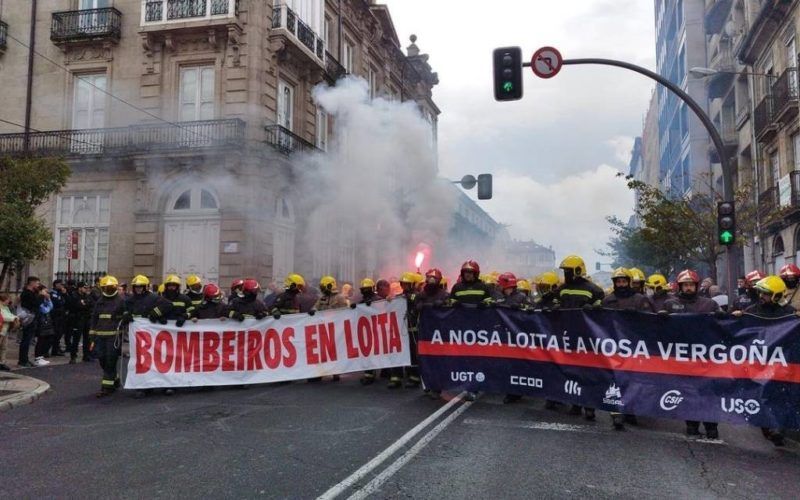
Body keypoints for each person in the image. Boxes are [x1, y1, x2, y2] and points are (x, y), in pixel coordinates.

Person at [660, 269, 721, 439]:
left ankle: (711, 425)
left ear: (696, 286)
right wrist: (661, 318)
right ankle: (691, 424)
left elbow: (723, 324)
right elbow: (660, 330)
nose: (688, 288)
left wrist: (725, 316)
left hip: (706, 356)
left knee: (708, 391)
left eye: (691, 285)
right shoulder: (670, 304)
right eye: (685, 285)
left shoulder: (709, 304)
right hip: (682, 357)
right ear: (680, 286)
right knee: (687, 391)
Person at [739, 275, 795, 447]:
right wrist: (735, 317)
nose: (761, 296)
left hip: (781, 361)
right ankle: (767, 426)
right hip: (758, 362)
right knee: (760, 394)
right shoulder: (752, 310)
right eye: (760, 293)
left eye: (765, 293)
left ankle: (778, 429)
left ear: (777, 296)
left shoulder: (790, 313)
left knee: (780, 395)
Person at [601, 268, 653, 429]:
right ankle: (616, 413)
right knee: (615, 380)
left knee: (632, 379)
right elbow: (600, 322)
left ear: (629, 282)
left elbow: (652, 320)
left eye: (624, 281)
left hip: (634, 346)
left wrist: (638, 315)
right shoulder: (608, 300)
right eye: (618, 281)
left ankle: (630, 410)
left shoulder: (640, 300)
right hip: (614, 346)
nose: (621, 284)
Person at [557, 255, 604, 421]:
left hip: (586, 338)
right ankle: (575, 404)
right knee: (571, 371)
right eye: (565, 271)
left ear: (578, 271)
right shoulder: (561, 288)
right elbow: (551, 303)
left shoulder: (594, 290)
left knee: (587, 373)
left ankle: (589, 407)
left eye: (568, 271)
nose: (566, 274)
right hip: (567, 337)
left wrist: (593, 308)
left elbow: (604, 311)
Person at [448, 261, 492, 401]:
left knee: (477, 358)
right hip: (461, 329)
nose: (468, 275)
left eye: (470, 272)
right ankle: (467, 384)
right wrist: (454, 304)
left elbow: (491, 303)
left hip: (479, 329)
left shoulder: (483, 287)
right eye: (466, 272)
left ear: (476, 274)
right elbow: (449, 303)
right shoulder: (457, 287)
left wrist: (484, 305)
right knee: (463, 358)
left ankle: (475, 386)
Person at [89, 276, 127, 397]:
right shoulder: (100, 300)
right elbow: (94, 317)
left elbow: (125, 316)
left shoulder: (121, 301)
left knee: (110, 360)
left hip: (114, 337)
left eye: (111, 287)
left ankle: (107, 387)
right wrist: (92, 333)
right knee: (102, 359)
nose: (109, 289)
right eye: (106, 287)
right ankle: (114, 378)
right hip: (100, 336)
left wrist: (121, 318)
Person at [17, 276, 42, 368]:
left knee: (29, 340)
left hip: (33, 318)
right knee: (26, 340)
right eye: (37, 283)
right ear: (32, 283)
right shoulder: (27, 293)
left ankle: (25, 358)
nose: (38, 285)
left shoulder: (32, 293)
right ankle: (22, 360)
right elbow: (35, 304)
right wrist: (41, 296)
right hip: (28, 318)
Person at [66, 282, 93, 363]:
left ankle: (86, 355)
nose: (86, 289)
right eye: (84, 287)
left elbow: (90, 305)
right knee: (76, 338)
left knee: (87, 338)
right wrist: (84, 305)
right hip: (77, 319)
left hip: (86, 319)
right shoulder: (74, 296)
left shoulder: (87, 296)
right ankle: (73, 356)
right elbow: (77, 306)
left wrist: (84, 304)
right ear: (80, 288)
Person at [33, 285, 55, 366]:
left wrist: (49, 299)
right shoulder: (38, 299)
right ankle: (38, 358)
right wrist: (48, 305)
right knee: (41, 340)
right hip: (40, 321)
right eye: (45, 291)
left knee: (47, 339)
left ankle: (41, 356)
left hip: (46, 321)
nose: (47, 293)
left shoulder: (45, 299)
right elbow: (44, 310)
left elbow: (51, 307)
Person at [0, 293, 20, 371]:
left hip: (5, 330)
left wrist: (14, 317)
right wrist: (14, 318)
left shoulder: (6, 307)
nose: (9, 301)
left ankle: (2, 362)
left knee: (3, 347)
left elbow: (9, 314)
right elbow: (3, 316)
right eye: (8, 300)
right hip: (1, 330)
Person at [49, 279, 69, 356]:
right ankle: (53, 349)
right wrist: (62, 300)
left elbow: (67, 301)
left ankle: (56, 349)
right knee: (55, 333)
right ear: (56, 284)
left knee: (59, 333)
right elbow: (57, 303)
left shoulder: (61, 293)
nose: (61, 286)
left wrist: (65, 294)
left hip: (61, 315)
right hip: (55, 316)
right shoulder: (53, 293)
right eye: (60, 284)